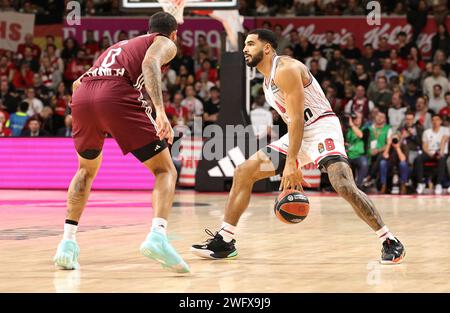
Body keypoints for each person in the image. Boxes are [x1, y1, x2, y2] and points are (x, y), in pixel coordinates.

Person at [191, 29, 405, 264]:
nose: (244, 49)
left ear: (267, 48)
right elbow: (292, 122)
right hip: (299, 132)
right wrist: (292, 154)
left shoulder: (286, 69)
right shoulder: (266, 81)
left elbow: (298, 119)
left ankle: (389, 240)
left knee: (342, 184)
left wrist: (291, 162)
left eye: (250, 44)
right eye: (244, 45)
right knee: (243, 171)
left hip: (321, 126)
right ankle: (225, 240)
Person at [53, 12, 190, 273]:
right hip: (115, 94)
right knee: (165, 170)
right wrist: (160, 111)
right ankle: (158, 236)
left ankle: (66, 245)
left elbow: (76, 83)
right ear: (173, 34)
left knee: (85, 171)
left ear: (147, 28)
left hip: (83, 97)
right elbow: (150, 64)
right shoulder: (165, 42)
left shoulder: (118, 46)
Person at [415, 114, 449, 195]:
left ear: (440, 121)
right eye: (433, 120)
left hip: (441, 152)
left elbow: (444, 140)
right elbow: (424, 145)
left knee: (442, 159)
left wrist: (440, 151)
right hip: (429, 152)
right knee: (418, 158)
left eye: (437, 119)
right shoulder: (427, 132)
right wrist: (430, 153)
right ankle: (420, 183)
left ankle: (438, 184)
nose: (435, 121)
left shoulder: (446, 129)